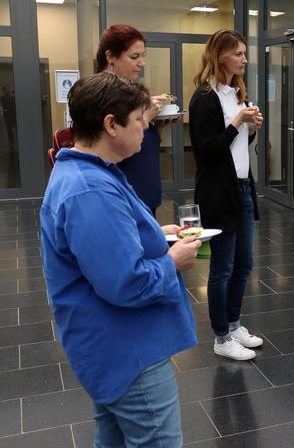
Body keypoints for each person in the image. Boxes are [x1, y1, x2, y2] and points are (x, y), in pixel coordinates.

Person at [40, 72, 201, 447]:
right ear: (111, 125)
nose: (145, 132)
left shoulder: (87, 174)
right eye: (139, 123)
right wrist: (172, 261)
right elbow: (125, 283)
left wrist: (157, 236)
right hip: (129, 352)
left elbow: (104, 246)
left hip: (109, 347)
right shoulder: (90, 188)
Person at [189, 29, 264, 361]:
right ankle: (221, 337)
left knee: (244, 264)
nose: (244, 59)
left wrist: (250, 128)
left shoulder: (237, 94)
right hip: (218, 193)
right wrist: (237, 122)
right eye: (239, 54)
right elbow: (207, 152)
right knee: (223, 267)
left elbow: (235, 148)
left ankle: (234, 325)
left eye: (245, 53)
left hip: (243, 189)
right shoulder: (204, 98)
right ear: (221, 56)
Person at [96, 24, 172, 216]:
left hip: (145, 192)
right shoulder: (99, 94)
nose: (141, 63)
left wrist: (158, 125)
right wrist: (146, 117)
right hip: (123, 195)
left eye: (143, 56)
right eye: (134, 57)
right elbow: (107, 148)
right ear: (110, 56)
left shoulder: (130, 91)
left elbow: (143, 144)